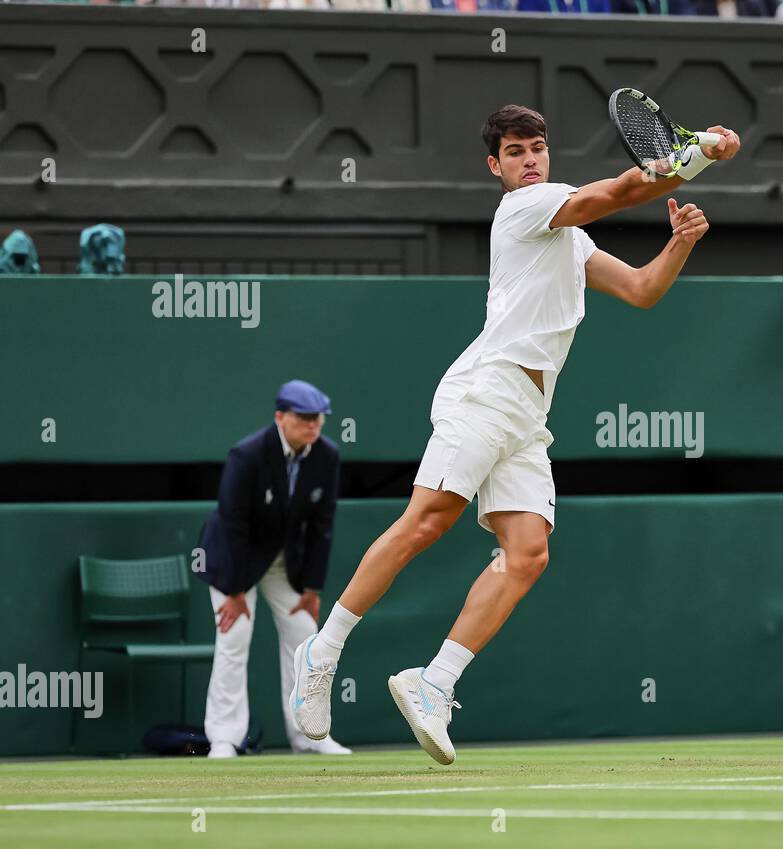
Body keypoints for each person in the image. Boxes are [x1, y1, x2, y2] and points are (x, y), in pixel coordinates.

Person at [289, 105, 741, 765]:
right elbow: (621, 191)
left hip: (528, 414)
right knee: (428, 520)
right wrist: (700, 152)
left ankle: (434, 682)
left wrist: (681, 242)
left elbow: (643, 290)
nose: (530, 159)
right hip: (486, 390)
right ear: (496, 166)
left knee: (528, 553)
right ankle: (321, 652)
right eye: (516, 152)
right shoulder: (527, 208)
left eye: (538, 148)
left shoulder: (572, 236)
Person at [197, 380, 351, 757]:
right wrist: (234, 592)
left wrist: (312, 588)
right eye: (303, 418)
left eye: (317, 419)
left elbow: (322, 525)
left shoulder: (326, 456)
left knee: (305, 635)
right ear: (280, 417)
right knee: (234, 637)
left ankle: (309, 736)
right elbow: (232, 524)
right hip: (236, 558)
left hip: (284, 561)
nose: (312, 425)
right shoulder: (247, 455)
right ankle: (224, 737)